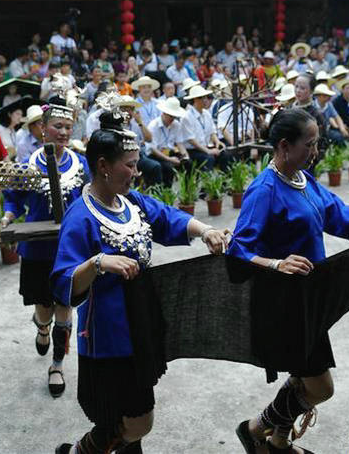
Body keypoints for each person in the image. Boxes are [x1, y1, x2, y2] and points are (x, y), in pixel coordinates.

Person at [230, 108, 349, 454]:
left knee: (304, 379)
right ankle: (255, 428)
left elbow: (337, 213)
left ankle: (278, 441)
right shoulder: (263, 189)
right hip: (283, 305)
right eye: (310, 144)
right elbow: (238, 249)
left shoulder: (304, 179)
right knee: (320, 388)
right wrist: (276, 263)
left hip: (310, 300)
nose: (315, 151)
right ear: (284, 146)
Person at [51, 123, 227, 454]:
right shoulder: (81, 217)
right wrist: (99, 262)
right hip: (108, 335)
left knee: (130, 422)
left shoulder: (130, 202)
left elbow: (168, 219)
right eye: (129, 165)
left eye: (136, 163)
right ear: (103, 166)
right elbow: (64, 282)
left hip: (140, 322)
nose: (136, 172)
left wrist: (205, 231)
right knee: (137, 420)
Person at [2, 102, 89, 399]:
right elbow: (13, 198)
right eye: (58, 127)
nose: (64, 133)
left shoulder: (82, 164)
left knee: (65, 308)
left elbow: (93, 197)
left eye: (68, 128)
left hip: (71, 248)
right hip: (38, 248)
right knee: (45, 308)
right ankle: (41, 328)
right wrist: (8, 217)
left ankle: (57, 365)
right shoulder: (27, 165)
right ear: (42, 130)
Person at [182, 85, 228, 171]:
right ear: (195, 99)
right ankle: (207, 183)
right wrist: (208, 151)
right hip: (193, 150)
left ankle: (224, 182)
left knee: (225, 154)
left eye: (205, 97)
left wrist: (218, 142)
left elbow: (212, 132)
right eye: (202, 98)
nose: (205, 100)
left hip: (206, 146)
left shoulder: (206, 113)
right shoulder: (186, 117)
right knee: (208, 158)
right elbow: (191, 140)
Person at [145, 97, 189, 185]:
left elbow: (179, 143)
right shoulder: (153, 125)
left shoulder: (176, 124)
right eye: (170, 116)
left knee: (188, 163)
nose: (172, 119)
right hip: (155, 154)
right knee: (167, 167)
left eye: (174, 116)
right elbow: (153, 149)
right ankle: (165, 192)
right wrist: (169, 159)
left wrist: (185, 155)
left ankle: (188, 191)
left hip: (169, 152)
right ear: (164, 113)